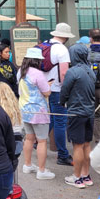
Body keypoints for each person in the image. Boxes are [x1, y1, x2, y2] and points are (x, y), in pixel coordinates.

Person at [60, 42, 96, 189]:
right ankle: (86, 175)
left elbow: (65, 91)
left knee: (77, 146)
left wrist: (62, 102)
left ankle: (76, 177)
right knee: (87, 144)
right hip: (90, 112)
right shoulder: (90, 70)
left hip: (76, 112)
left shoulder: (72, 71)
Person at [17, 47, 54, 180]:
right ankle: (42, 171)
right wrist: (48, 85)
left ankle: (27, 165)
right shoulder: (38, 74)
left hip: (24, 109)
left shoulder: (21, 71)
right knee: (42, 141)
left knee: (29, 138)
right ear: (37, 60)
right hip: (38, 111)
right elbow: (47, 92)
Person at [44, 22, 74, 166]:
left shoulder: (44, 44)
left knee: (49, 118)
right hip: (57, 88)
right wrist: (66, 88)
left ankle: (39, 141)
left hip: (43, 88)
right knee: (60, 121)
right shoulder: (62, 49)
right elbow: (64, 72)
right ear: (66, 36)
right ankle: (63, 154)